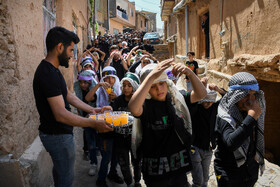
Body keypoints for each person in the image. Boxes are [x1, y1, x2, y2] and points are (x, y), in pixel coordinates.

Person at [33, 26, 113, 187]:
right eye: (70, 50)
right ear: (60, 47)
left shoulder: (53, 70)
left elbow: (68, 95)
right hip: (57, 137)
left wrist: (92, 110)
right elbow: (61, 114)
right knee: (66, 180)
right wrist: (93, 122)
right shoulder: (47, 73)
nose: (71, 55)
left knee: (61, 173)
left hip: (59, 135)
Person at [128, 60, 207, 187]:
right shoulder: (145, 106)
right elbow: (133, 108)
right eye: (152, 86)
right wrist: (152, 76)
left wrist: (190, 73)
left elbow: (201, 94)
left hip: (178, 171)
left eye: (161, 83)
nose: (159, 89)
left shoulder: (176, 100)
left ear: (167, 83)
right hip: (155, 175)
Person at [214, 72, 266, 187]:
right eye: (246, 95)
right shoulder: (225, 115)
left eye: (253, 95)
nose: (250, 100)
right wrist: (251, 118)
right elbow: (231, 143)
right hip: (230, 174)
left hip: (249, 173)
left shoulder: (248, 109)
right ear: (236, 94)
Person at [85, 66, 124, 187]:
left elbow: (126, 107)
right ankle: (101, 179)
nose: (110, 81)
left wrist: (116, 99)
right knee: (106, 155)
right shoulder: (100, 92)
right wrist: (98, 86)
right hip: (104, 128)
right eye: (107, 78)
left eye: (113, 78)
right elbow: (88, 98)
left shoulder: (120, 91)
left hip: (117, 128)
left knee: (115, 155)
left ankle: (113, 173)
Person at [186, 78, 226, 187]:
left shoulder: (214, 108)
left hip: (208, 149)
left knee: (205, 179)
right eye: (205, 100)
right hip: (195, 148)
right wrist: (200, 88)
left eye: (210, 101)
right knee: (198, 180)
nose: (208, 104)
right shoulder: (196, 109)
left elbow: (227, 98)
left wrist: (218, 89)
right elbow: (189, 100)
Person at [112, 72, 142, 187]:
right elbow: (113, 117)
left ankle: (138, 181)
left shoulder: (138, 101)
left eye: (129, 85)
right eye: (124, 85)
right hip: (120, 139)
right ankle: (129, 182)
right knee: (123, 163)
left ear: (134, 86)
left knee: (137, 161)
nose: (126, 88)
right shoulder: (118, 101)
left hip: (135, 139)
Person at [74, 70, 99, 176]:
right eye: (81, 82)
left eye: (85, 83)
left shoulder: (93, 91)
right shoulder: (78, 91)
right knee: (91, 144)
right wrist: (81, 117)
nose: (83, 85)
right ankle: (93, 163)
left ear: (90, 83)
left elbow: (89, 99)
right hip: (86, 121)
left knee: (100, 143)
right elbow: (78, 104)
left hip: (96, 120)